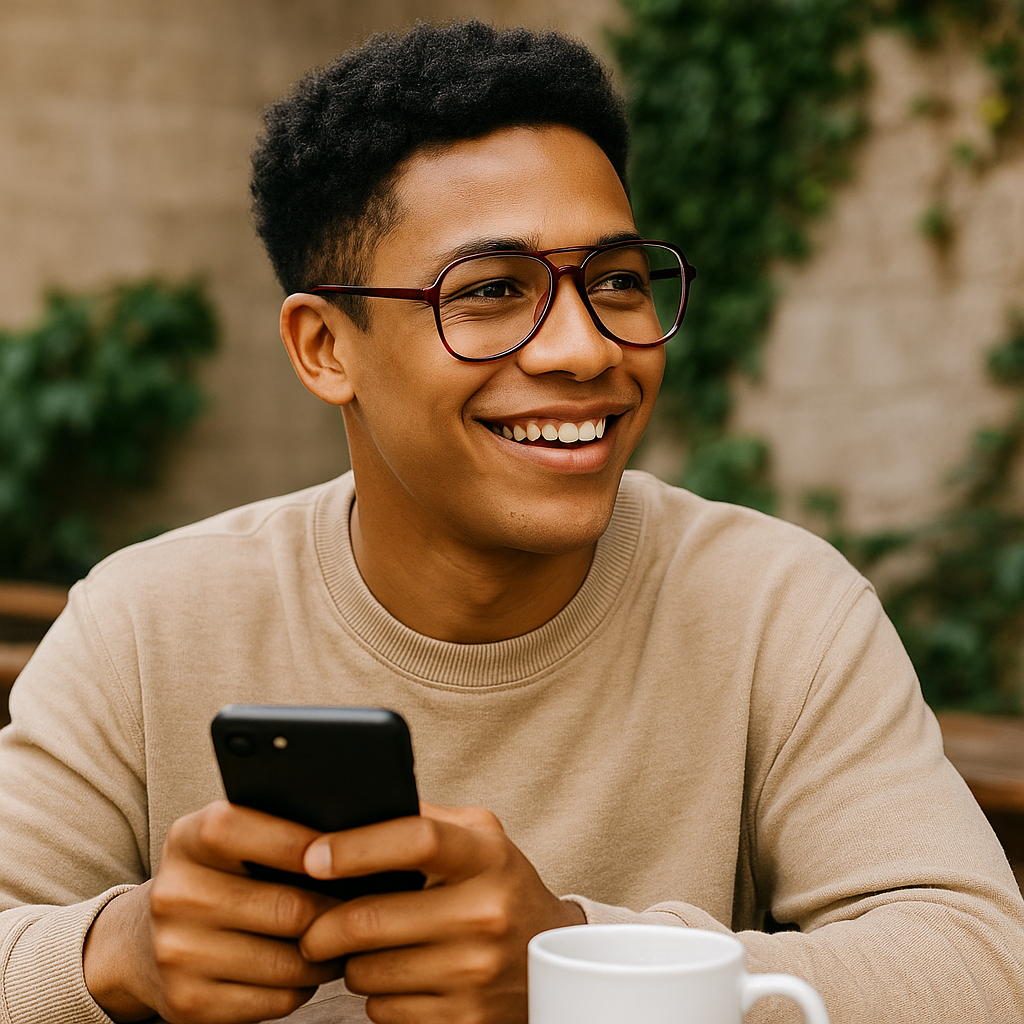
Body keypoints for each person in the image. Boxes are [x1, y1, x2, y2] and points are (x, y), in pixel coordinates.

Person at [1, 20, 1022, 1024]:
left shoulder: (775, 606)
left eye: (616, 280)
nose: (585, 348)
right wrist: (110, 955)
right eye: (491, 290)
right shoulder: (145, 620)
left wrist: (583, 968)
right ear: (323, 348)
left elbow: (979, 967)